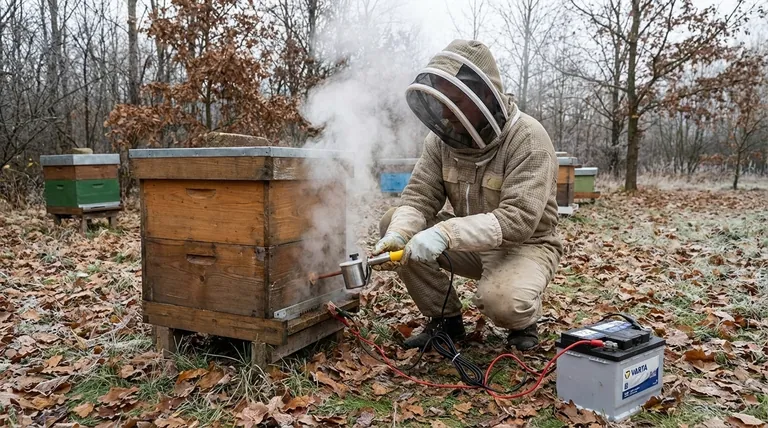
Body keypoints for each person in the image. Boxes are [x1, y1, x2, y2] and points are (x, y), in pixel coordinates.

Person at [372, 39, 562, 351]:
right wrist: (399, 233)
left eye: (455, 100)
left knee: (502, 301)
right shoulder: (439, 143)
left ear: (484, 95)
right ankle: (445, 321)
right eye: (443, 100)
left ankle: (522, 322)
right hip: (470, 243)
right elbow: (419, 196)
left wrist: (445, 233)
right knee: (396, 221)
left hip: (525, 246)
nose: (445, 111)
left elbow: (519, 221)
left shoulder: (528, 139)